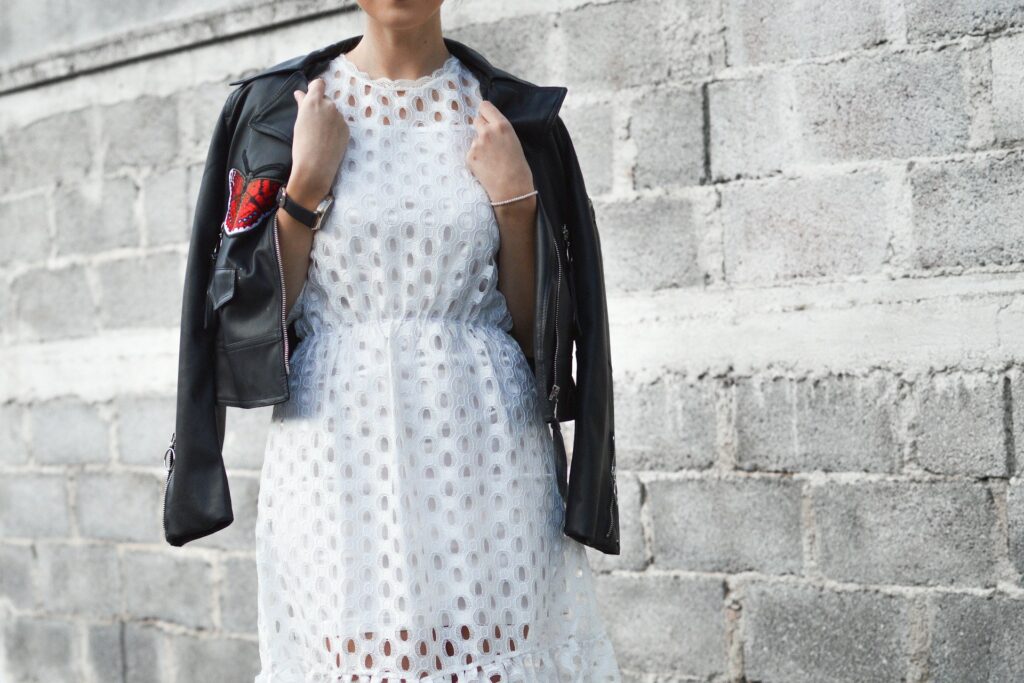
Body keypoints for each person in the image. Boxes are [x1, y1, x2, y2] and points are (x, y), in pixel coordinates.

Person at [173, 0, 623, 679]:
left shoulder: (512, 117)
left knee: (495, 657)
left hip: (488, 451)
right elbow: (251, 324)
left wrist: (516, 201)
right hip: (337, 455)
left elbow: (536, 337)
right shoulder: (281, 110)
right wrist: (305, 188)